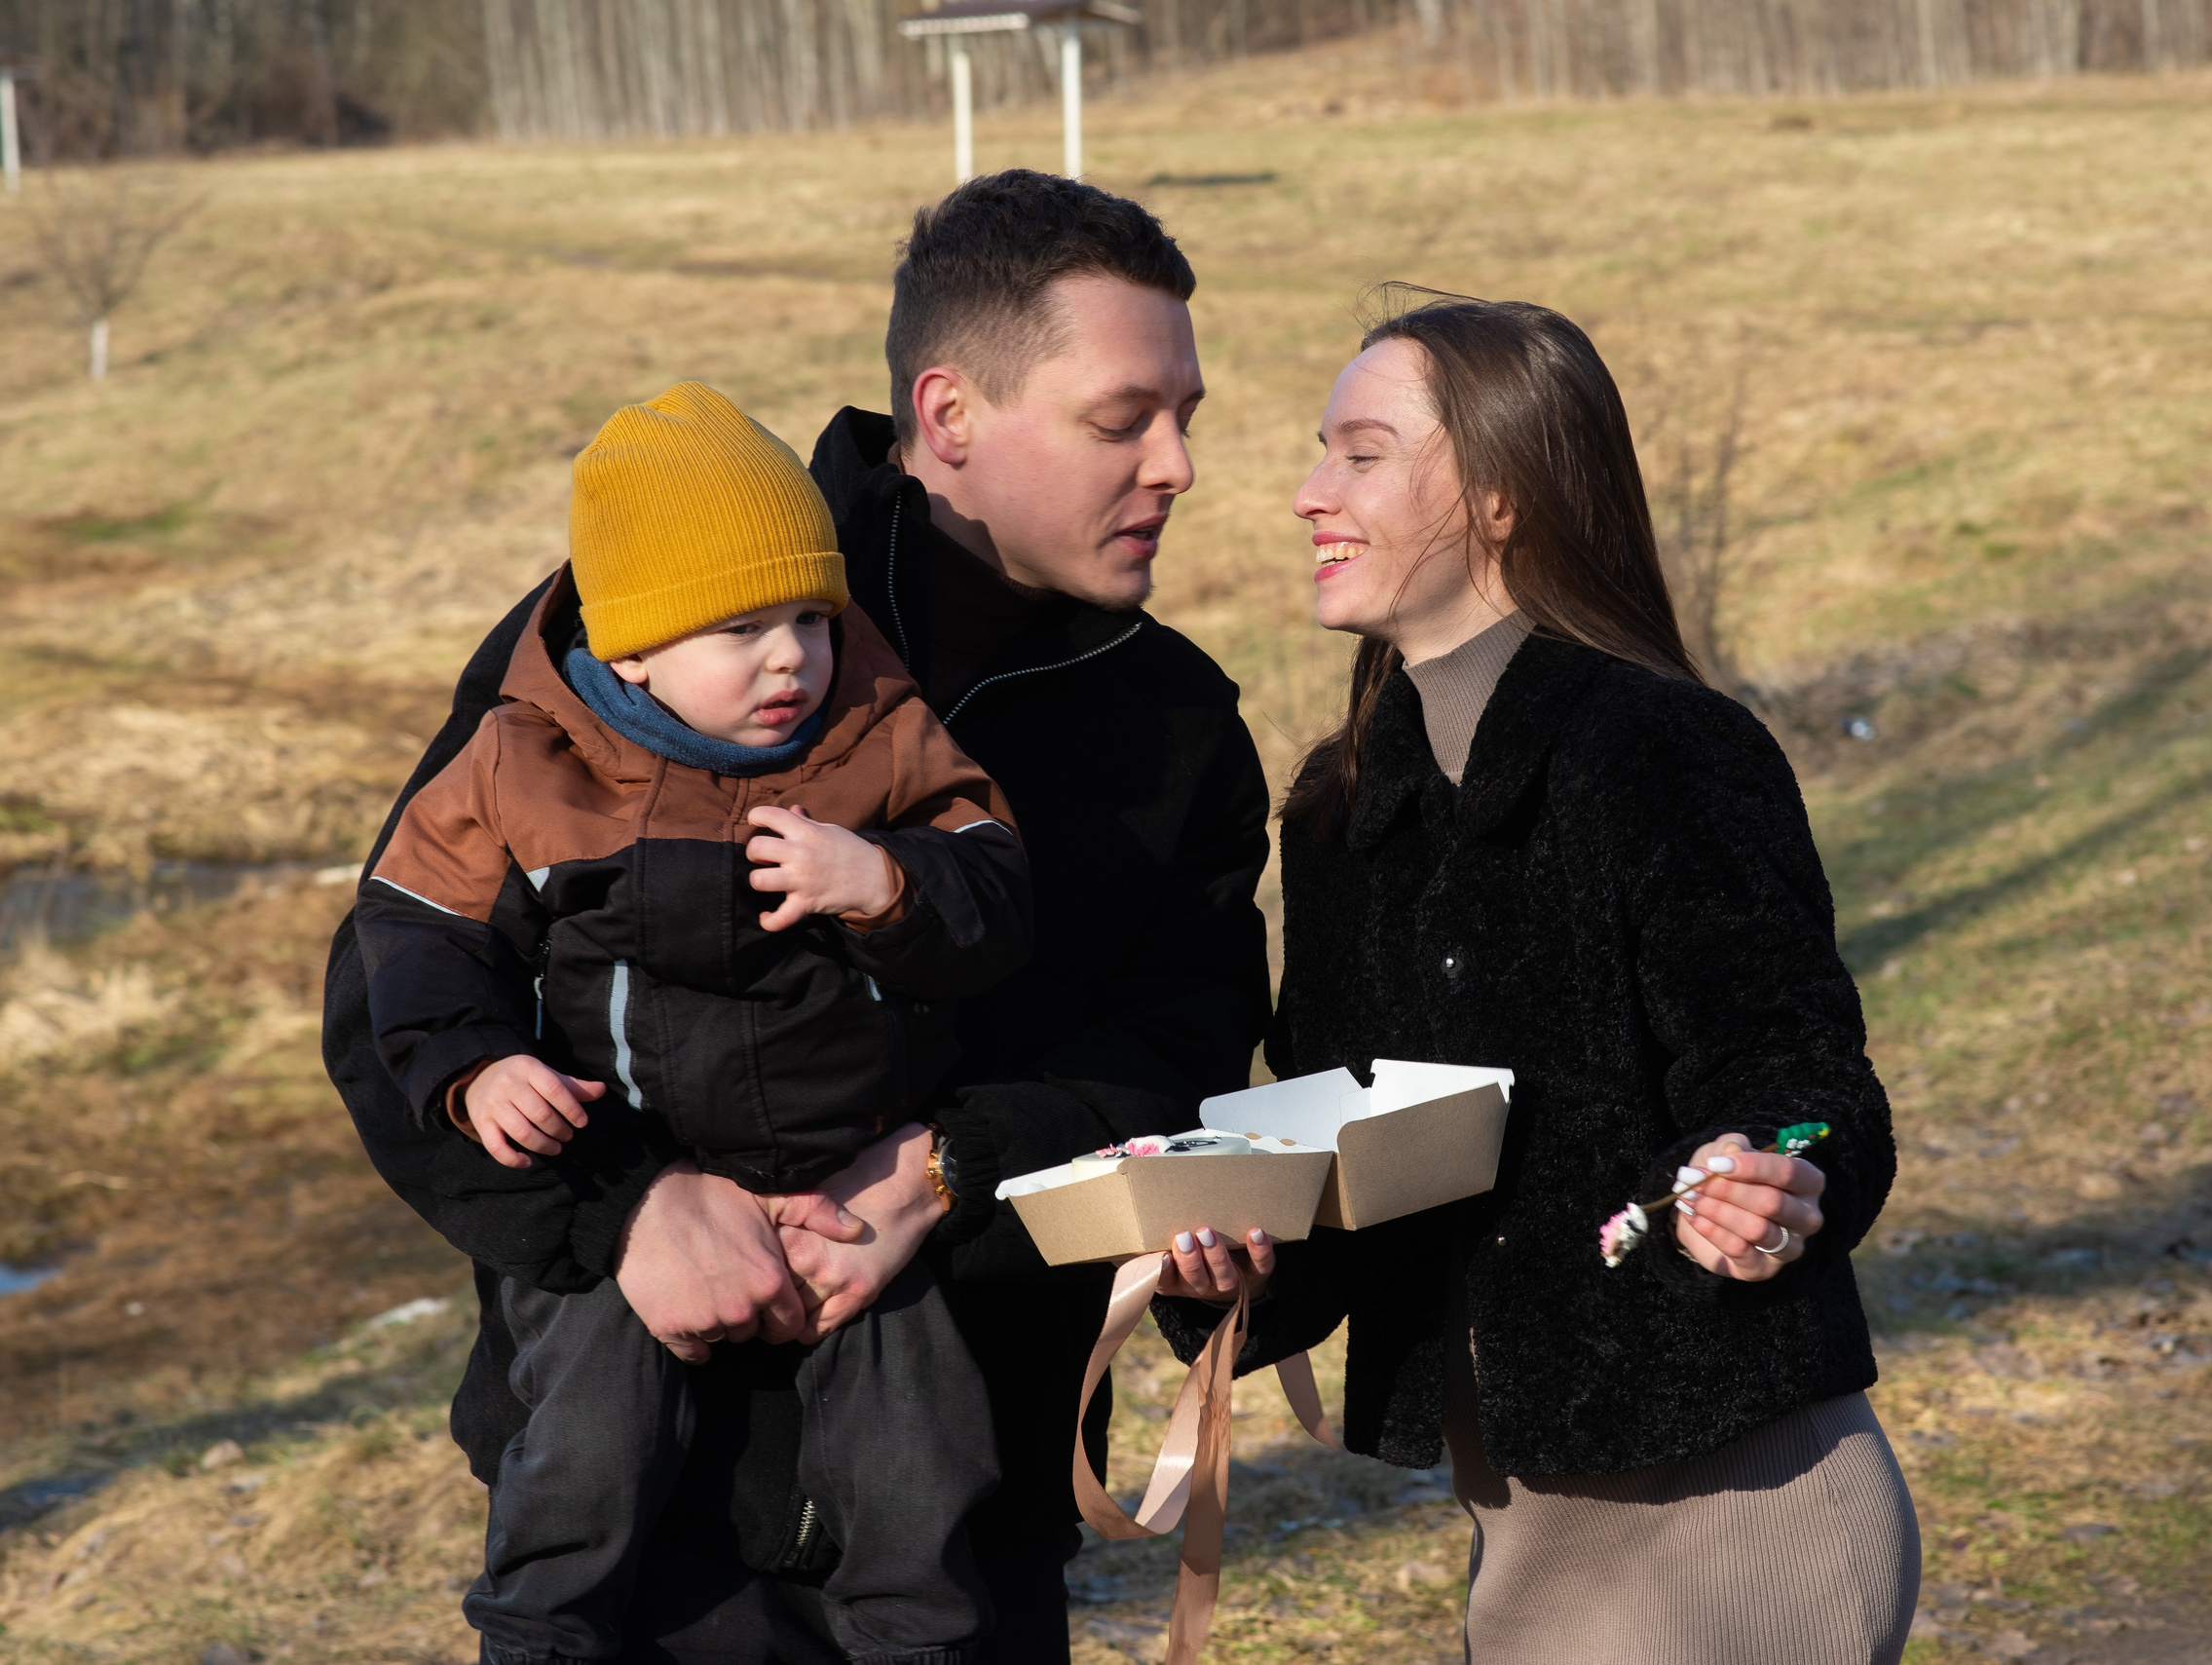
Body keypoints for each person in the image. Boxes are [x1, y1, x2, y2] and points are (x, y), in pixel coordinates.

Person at [321, 171, 1272, 1662]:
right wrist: (624, 1205)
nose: (1178, 465)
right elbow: (390, 989)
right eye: (1122, 418)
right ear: (949, 415)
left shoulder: (1175, 730)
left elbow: (1181, 1046)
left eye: (1188, 416)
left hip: (961, 1529)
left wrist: (953, 1169)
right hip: (641, 1513)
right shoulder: (655, 606)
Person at [1155, 292, 1918, 1665]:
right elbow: (1347, 1166)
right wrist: (1231, 1260)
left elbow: (1804, 1080)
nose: (1304, 492)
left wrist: (1773, 1178)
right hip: (1526, 1543)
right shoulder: (1338, 813)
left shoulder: (1664, 752)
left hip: (1739, 1508)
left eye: (1361, 452)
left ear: (1501, 497)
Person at [356, 381, 1029, 1665]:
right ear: (632, 650)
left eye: (808, 620)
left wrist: (886, 883)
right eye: (741, 628)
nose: (791, 658)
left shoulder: (877, 735)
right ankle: (539, 1635)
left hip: (849, 1189)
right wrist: (475, 1066)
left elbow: (998, 891)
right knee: (587, 1444)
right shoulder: (522, 760)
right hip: (627, 1186)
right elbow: (414, 929)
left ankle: (921, 1645)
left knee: (919, 1451)